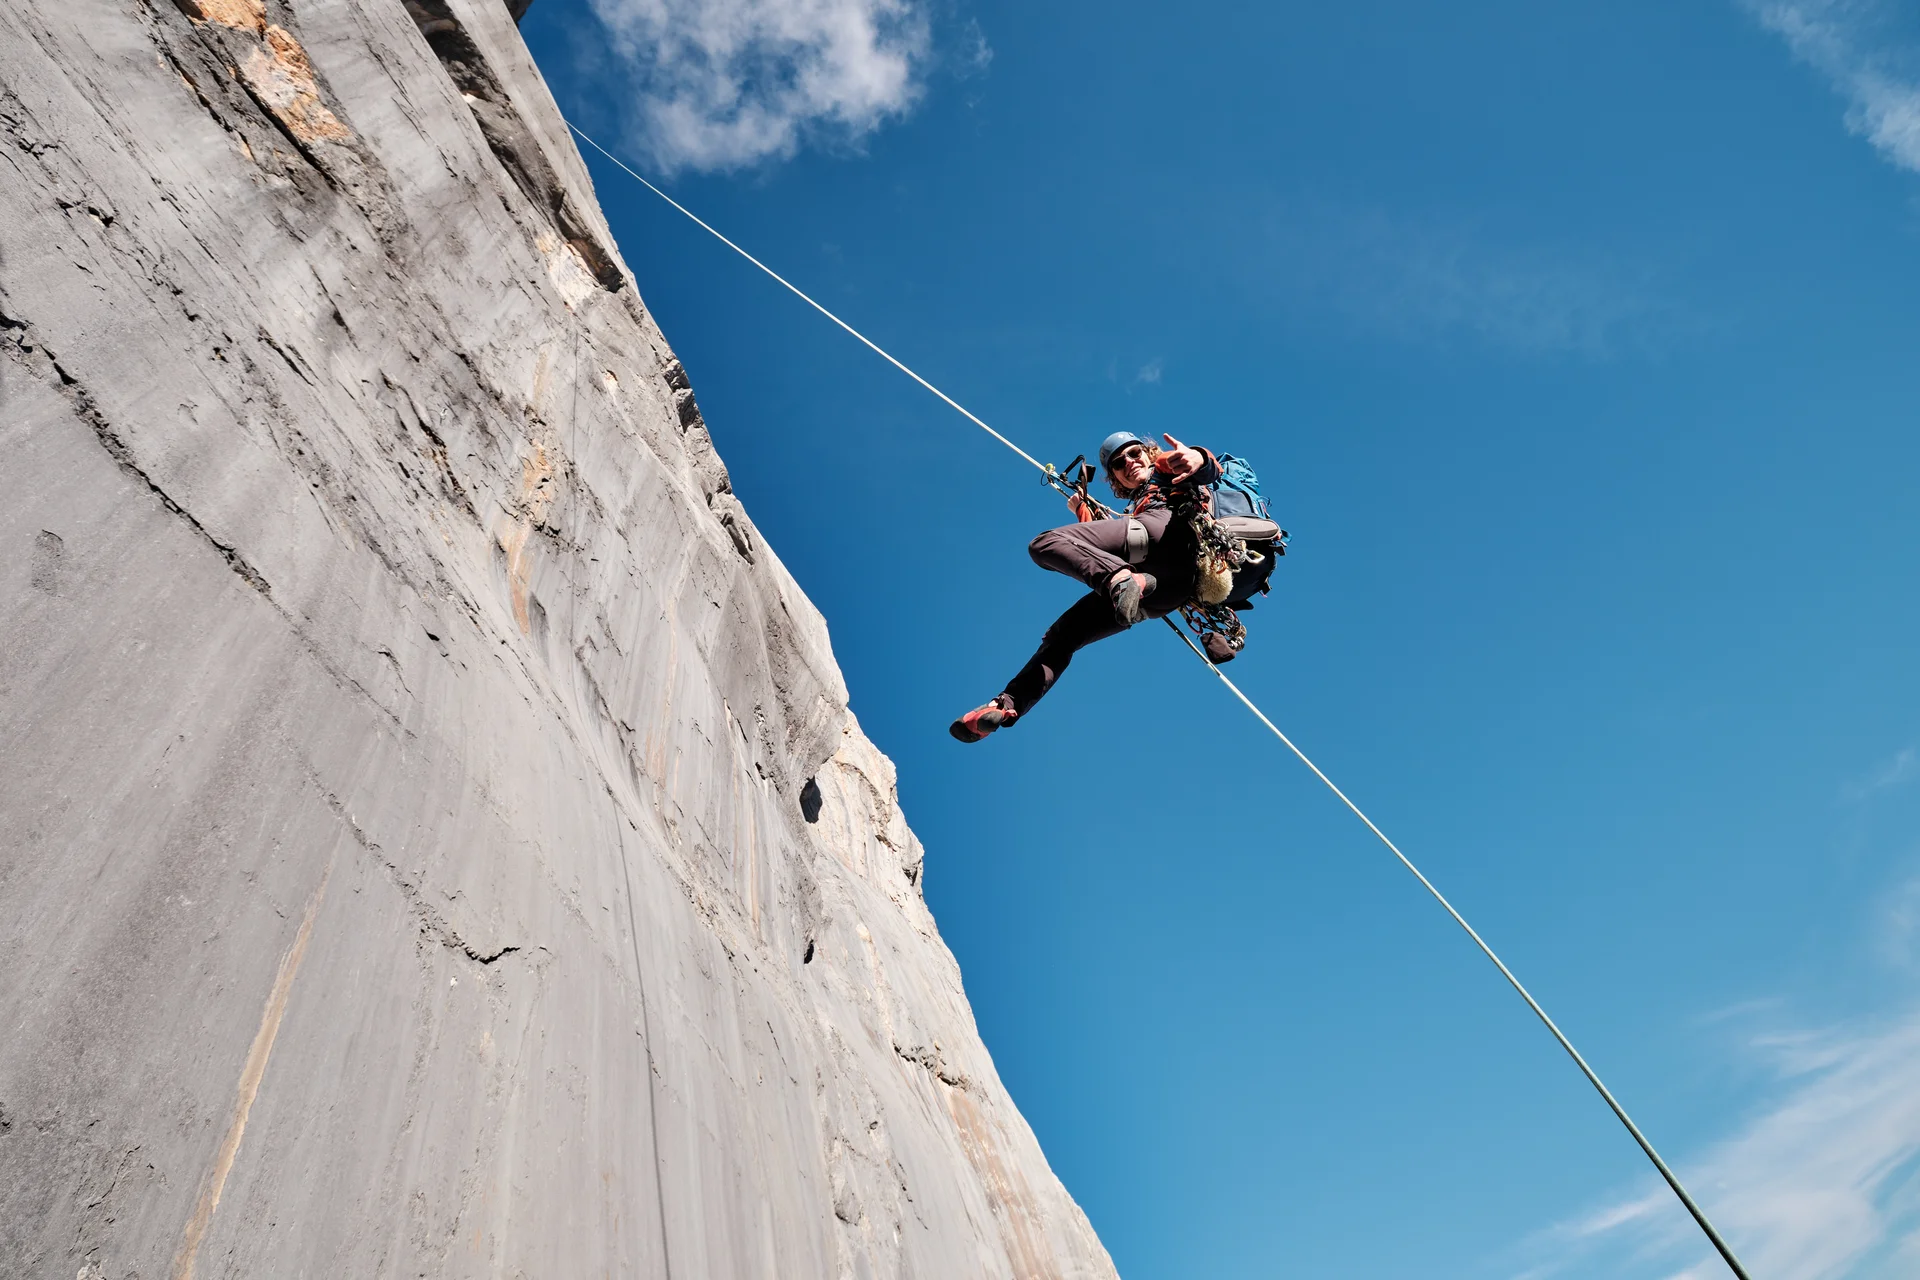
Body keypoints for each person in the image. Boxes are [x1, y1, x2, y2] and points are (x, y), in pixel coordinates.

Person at [950, 430, 1235, 742]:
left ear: (1148, 454)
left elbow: (1197, 465)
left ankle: (1120, 578)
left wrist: (1196, 457)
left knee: (1046, 543)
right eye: (1118, 463)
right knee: (1065, 634)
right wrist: (1083, 510)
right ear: (1115, 478)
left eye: (1134, 453)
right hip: (1163, 592)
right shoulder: (1133, 508)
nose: (1129, 462)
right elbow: (1099, 544)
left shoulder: (1162, 473)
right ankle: (1007, 704)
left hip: (1165, 540)